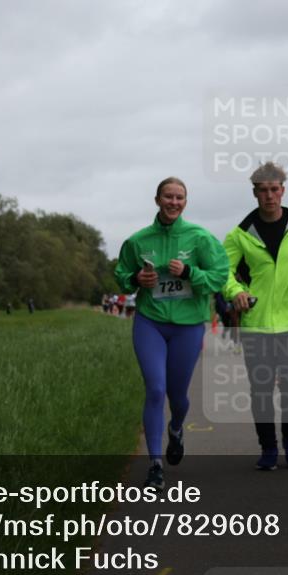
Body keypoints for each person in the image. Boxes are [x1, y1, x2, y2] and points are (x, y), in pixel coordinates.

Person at [114, 177, 229, 490]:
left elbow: (219, 276)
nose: (173, 202)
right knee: (155, 389)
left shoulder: (200, 238)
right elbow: (122, 275)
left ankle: (176, 428)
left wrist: (190, 272)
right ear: (157, 200)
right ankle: (155, 464)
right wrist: (136, 279)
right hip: (150, 322)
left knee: (177, 397)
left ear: (185, 202)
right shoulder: (138, 240)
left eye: (179, 198)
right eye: (168, 197)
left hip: (188, 326)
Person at [223, 162, 288, 470]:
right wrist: (236, 292)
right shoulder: (239, 234)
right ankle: (268, 447)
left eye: (274, 189)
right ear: (254, 193)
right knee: (260, 389)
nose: (269, 196)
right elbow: (222, 271)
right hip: (256, 324)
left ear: (283, 190)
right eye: (263, 190)